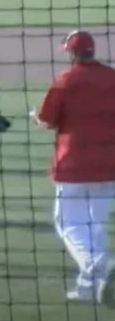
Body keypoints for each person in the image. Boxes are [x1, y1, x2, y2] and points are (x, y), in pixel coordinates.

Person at [31, 30, 115, 303]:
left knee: (68, 223)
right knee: (95, 225)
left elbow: (46, 120)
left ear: (72, 53)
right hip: (110, 164)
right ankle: (89, 288)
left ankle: (102, 263)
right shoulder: (112, 77)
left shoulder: (66, 80)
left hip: (74, 165)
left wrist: (35, 116)